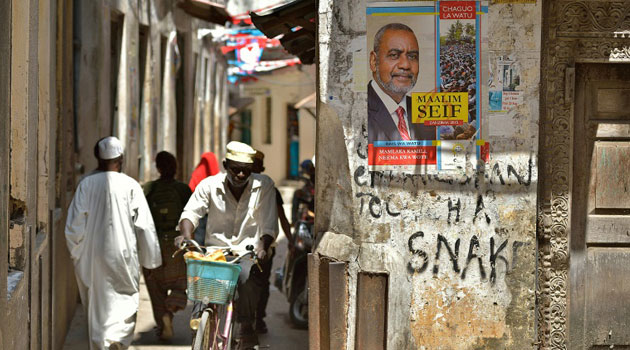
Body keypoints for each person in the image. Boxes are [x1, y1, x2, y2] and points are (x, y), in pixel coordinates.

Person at [175, 141, 278, 350]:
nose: (240, 175)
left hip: (246, 252)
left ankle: (247, 325)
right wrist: (185, 235)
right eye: (236, 169)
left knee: (247, 277)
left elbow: (268, 224)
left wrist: (262, 245)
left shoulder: (264, 185)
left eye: (246, 171)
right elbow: (190, 213)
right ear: (225, 165)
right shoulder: (209, 185)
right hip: (215, 251)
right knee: (201, 279)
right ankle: (199, 323)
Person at [64, 136, 162, 350]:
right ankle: (119, 340)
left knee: (98, 303)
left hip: (94, 254)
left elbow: (74, 225)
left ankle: (103, 343)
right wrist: (151, 261)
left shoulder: (86, 184)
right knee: (126, 298)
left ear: (98, 159)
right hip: (124, 253)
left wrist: (77, 253)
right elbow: (145, 225)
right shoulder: (131, 185)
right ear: (120, 159)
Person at [142, 151, 192, 340]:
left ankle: (163, 315)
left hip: (154, 245)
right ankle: (172, 306)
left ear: (158, 168)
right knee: (180, 282)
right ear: (175, 168)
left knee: (155, 285)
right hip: (177, 245)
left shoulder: (149, 189)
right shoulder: (183, 190)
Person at [368, 23, 436, 143]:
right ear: (374, 61)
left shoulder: (427, 112)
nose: (405, 65)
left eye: (412, 56)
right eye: (394, 55)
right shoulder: (356, 109)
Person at [251, 150, 293, 334]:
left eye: (254, 167)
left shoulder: (270, 189)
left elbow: (281, 216)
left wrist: (290, 239)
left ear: (261, 168)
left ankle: (258, 318)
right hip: (242, 245)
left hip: (265, 246)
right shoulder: (239, 188)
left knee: (261, 283)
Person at [188, 152, 220, 244]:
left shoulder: (197, 173)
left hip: (200, 212)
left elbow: (191, 189)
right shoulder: (216, 177)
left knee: (200, 239)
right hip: (213, 213)